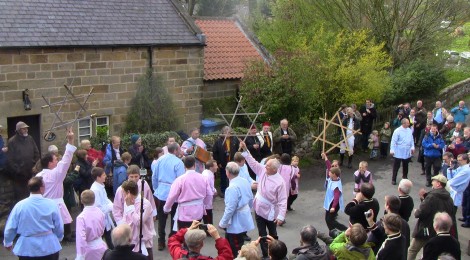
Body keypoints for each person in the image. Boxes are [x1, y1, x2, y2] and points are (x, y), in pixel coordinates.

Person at [240, 141, 287, 259]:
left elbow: (282, 200)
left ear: (274, 169)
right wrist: (245, 150)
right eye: (266, 165)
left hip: (271, 211)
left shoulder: (280, 182)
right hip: (259, 207)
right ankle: (265, 254)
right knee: (262, 234)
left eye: (268, 166)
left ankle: (276, 253)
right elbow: (253, 163)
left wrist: (281, 216)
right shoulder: (263, 170)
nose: (265, 166)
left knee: (273, 234)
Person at [3, 177, 63, 259]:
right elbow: (58, 224)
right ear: (41, 188)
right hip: (49, 246)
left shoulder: (20, 205)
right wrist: (59, 237)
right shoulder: (51, 204)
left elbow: (11, 226)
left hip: (26, 247)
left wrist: (8, 242)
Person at [36, 128, 76, 242]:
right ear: (49, 163)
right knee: (54, 237)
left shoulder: (38, 175)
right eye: (55, 160)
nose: (57, 161)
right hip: (54, 207)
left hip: (42, 207)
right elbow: (66, 159)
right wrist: (71, 139)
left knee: (46, 234)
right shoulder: (55, 174)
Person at [408, 174, 456, 260]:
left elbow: (421, 213)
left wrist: (416, 211)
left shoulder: (431, 197)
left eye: (434, 181)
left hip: (426, 229)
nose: (432, 182)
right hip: (439, 231)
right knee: (429, 252)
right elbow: (451, 214)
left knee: (413, 250)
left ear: (438, 184)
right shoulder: (449, 199)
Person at [151, 142, 185, 250]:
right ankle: (172, 239)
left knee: (162, 218)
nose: (180, 151)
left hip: (161, 192)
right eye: (179, 149)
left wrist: (156, 188)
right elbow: (181, 180)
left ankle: (161, 241)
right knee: (174, 218)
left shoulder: (160, 160)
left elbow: (154, 176)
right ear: (175, 150)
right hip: (174, 193)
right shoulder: (178, 162)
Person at [164, 155, 211, 231]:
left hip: (184, 212)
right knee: (196, 234)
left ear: (184, 165)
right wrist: (203, 204)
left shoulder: (180, 180)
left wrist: (166, 208)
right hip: (198, 211)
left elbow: (172, 196)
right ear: (195, 165)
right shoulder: (203, 178)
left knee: (185, 235)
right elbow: (209, 194)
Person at [218, 162, 255, 258]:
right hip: (244, 214)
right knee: (236, 242)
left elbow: (230, 209)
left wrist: (223, 223)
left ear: (227, 172)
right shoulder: (244, 181)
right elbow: (251, 198)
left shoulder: (231, 188)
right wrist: (248, 211)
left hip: (236, 220)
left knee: (235, 247)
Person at [6, 121, 40, 202]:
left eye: (26, 128)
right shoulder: (12, 141)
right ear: (18, 130)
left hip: (31, 172)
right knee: (21, 196)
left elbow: (36, 153)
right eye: (23, 129)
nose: (26, 130)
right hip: (19, 176)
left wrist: (35, 166)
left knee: (32, 194)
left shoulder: (30, 138)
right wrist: (18, 170)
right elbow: (10, 159)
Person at [121, 180, 155, 258]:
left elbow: (139, 222)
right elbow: (125, 219)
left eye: (123, 192)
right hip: (130, 241)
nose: (123, 195)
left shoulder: (145, 204)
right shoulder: (127, 201)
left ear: (128, 192)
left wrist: (131, 207)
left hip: (143, 243)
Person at [168, 220, 232, 259]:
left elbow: (172, 240)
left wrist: (188, 229)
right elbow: (226, 256)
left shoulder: (178, 255)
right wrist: (217, 237)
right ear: (202, 244)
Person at [75, 190, 107, 260]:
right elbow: (103, 227)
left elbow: (81, 238)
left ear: (81, 201)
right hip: (101, 245)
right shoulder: (100, 212)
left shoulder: (81, 217)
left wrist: (80, 255)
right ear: (94, 199)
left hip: (89, 250)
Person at [90, 167, 115, 249]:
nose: (106, 176)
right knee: (102, 240)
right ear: (98, 177)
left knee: (108, 238)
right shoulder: (95, 190)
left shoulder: (101, 186)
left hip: (105, 218)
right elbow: (98, 207)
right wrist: (111, 207)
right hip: (100, 219)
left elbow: (106, 199)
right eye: (103, 175)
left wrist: (112, 204)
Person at [321, 153, 347, 232]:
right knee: (328, 219)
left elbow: (336, 197)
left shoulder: (336, 185)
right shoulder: (332, 178)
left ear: (334, 174)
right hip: (329, 202)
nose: (328, 173)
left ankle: (345, 229)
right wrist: (325, 157)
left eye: (330, 173)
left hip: (333, 204)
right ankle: (332, 231)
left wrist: (333, 207)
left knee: (330, 220)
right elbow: (329, 167)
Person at [212, 126, 240, 197]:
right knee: (223, 177)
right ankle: (223, 191)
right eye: (226, 132)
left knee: (233, 177)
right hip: (223, 163)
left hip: (232, 162)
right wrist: (218, 162)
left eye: (229, 132)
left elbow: (238, 150)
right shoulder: (218, 141)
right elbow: (215, 152)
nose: (228, 134)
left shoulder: (234, 139)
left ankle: (233, 190)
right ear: (223, 133)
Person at [390, 118, 415, 185]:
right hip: (399, 150)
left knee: (405, 165)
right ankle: (394, 179)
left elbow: (411, 140)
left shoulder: (409, 130)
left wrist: (412, 147)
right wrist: (392, 150)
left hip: (406, 151)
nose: (409, 124)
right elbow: (393, 141)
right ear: (403, 123)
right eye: (407, 123)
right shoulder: (397, 131)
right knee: (396, 166)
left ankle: (405, 177)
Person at [448, 154, 470, 228]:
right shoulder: (461, 168)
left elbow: (452, 181)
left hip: (456, 193)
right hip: (454, 192)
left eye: (460, 160)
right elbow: (451, 176)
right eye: (458, 160)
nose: (458, 162)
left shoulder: (466, 170)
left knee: (451, 216)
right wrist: (451, 168)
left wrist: (446, 184)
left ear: (465, 160)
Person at [202, 160, 218, 225]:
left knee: (208, 212)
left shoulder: (208, 173)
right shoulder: (207, 175)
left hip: (208, 198)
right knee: (208, 213)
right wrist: (213, 191)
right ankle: (208, 228)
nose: (217, 167)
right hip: (207, 198)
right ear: (211, 167)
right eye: (216, 166)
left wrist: (214, 190)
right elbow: (207, 187)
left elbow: (211, 186)